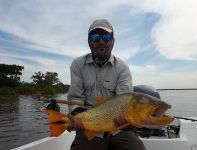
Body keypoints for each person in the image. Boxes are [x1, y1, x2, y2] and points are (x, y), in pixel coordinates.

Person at [41, 19, 146, 150]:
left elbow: (123, 102)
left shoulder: (122, 68)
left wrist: (128, 122)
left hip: (119, 128)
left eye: (106, 37)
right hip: (89, 124)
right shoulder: (78, 64)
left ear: (112, 41)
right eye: (95, 37)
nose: (101, 41)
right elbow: (75, 97)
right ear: (89, 42)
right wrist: (75, 115)